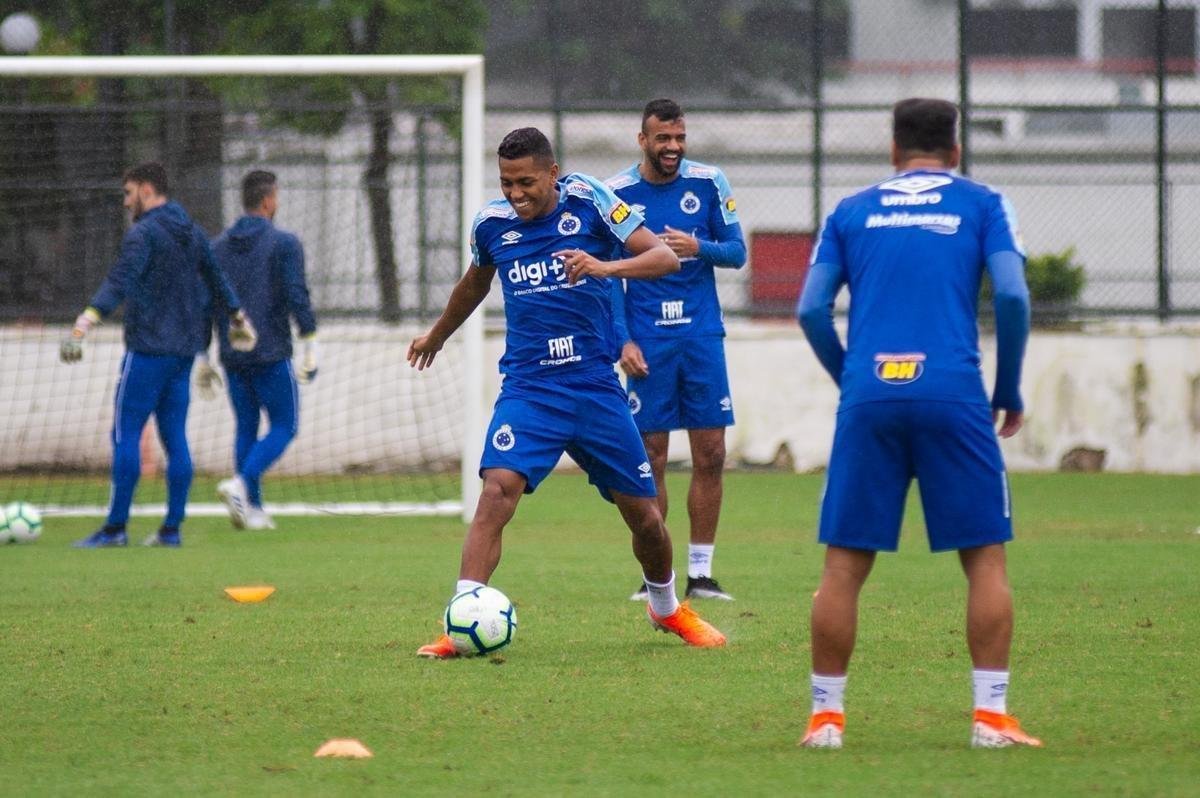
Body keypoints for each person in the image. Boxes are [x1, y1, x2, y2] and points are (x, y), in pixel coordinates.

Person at [407, 127, 727, 658]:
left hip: (595, 387)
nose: (516, 194)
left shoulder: (592, 201)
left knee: (645, 516)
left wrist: (606, 266)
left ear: (552, 173)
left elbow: (665, 260)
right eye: (507, 182)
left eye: (526, 182)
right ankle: (461, 618)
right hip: (531, 389)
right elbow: (474, 284)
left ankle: (667, 608)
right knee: (496, 491)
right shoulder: (491, 224)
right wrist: (437, 335)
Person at [795, 98, 1041, 749]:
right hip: (953, 392)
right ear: (955, 152)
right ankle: (990, 719)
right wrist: (1008, 386)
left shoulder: (849, 211)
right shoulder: (984, 203)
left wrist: (853, 377)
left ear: (893, 150)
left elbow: (812, 309)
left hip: (870, 393)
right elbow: (1013, 294)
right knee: (984, 559)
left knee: (843, 566)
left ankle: (826, 719)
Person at [61, 162, 256, 548]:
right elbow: (217, 277)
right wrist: (237, 315)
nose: (126, 201)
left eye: (128, 192)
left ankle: (116, 528)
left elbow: (121, 279)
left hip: (148, 349)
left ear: (147, 190)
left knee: (125, 433)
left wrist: (87, 319)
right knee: (175, 438)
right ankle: (171, 529)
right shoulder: (193, 232)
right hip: (183, 352)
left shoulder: (143, 233)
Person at [607, 98, 747, 602]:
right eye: (663, 139)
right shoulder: (618, 194)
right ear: (642, 140)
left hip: (701, 337)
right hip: (648, 342)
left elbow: (737, 252)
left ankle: (702, 574)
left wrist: (698, 247)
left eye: (680, 138)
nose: (673, 147)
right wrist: (621, 339)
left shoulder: (709, 183)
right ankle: (656, 577)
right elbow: (609, 278)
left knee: (710, 453)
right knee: (651, 456)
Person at [200, 170, 318, 531]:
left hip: (233, 354)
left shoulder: (217, 246)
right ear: (268, 200)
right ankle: (241, 484)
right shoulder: (284, 243)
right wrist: (310, 339)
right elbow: (296, 294)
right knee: (285, 424)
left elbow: (206, 301)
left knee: (246, 428)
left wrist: (202, 354)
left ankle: (252, 510)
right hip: (271, 351)